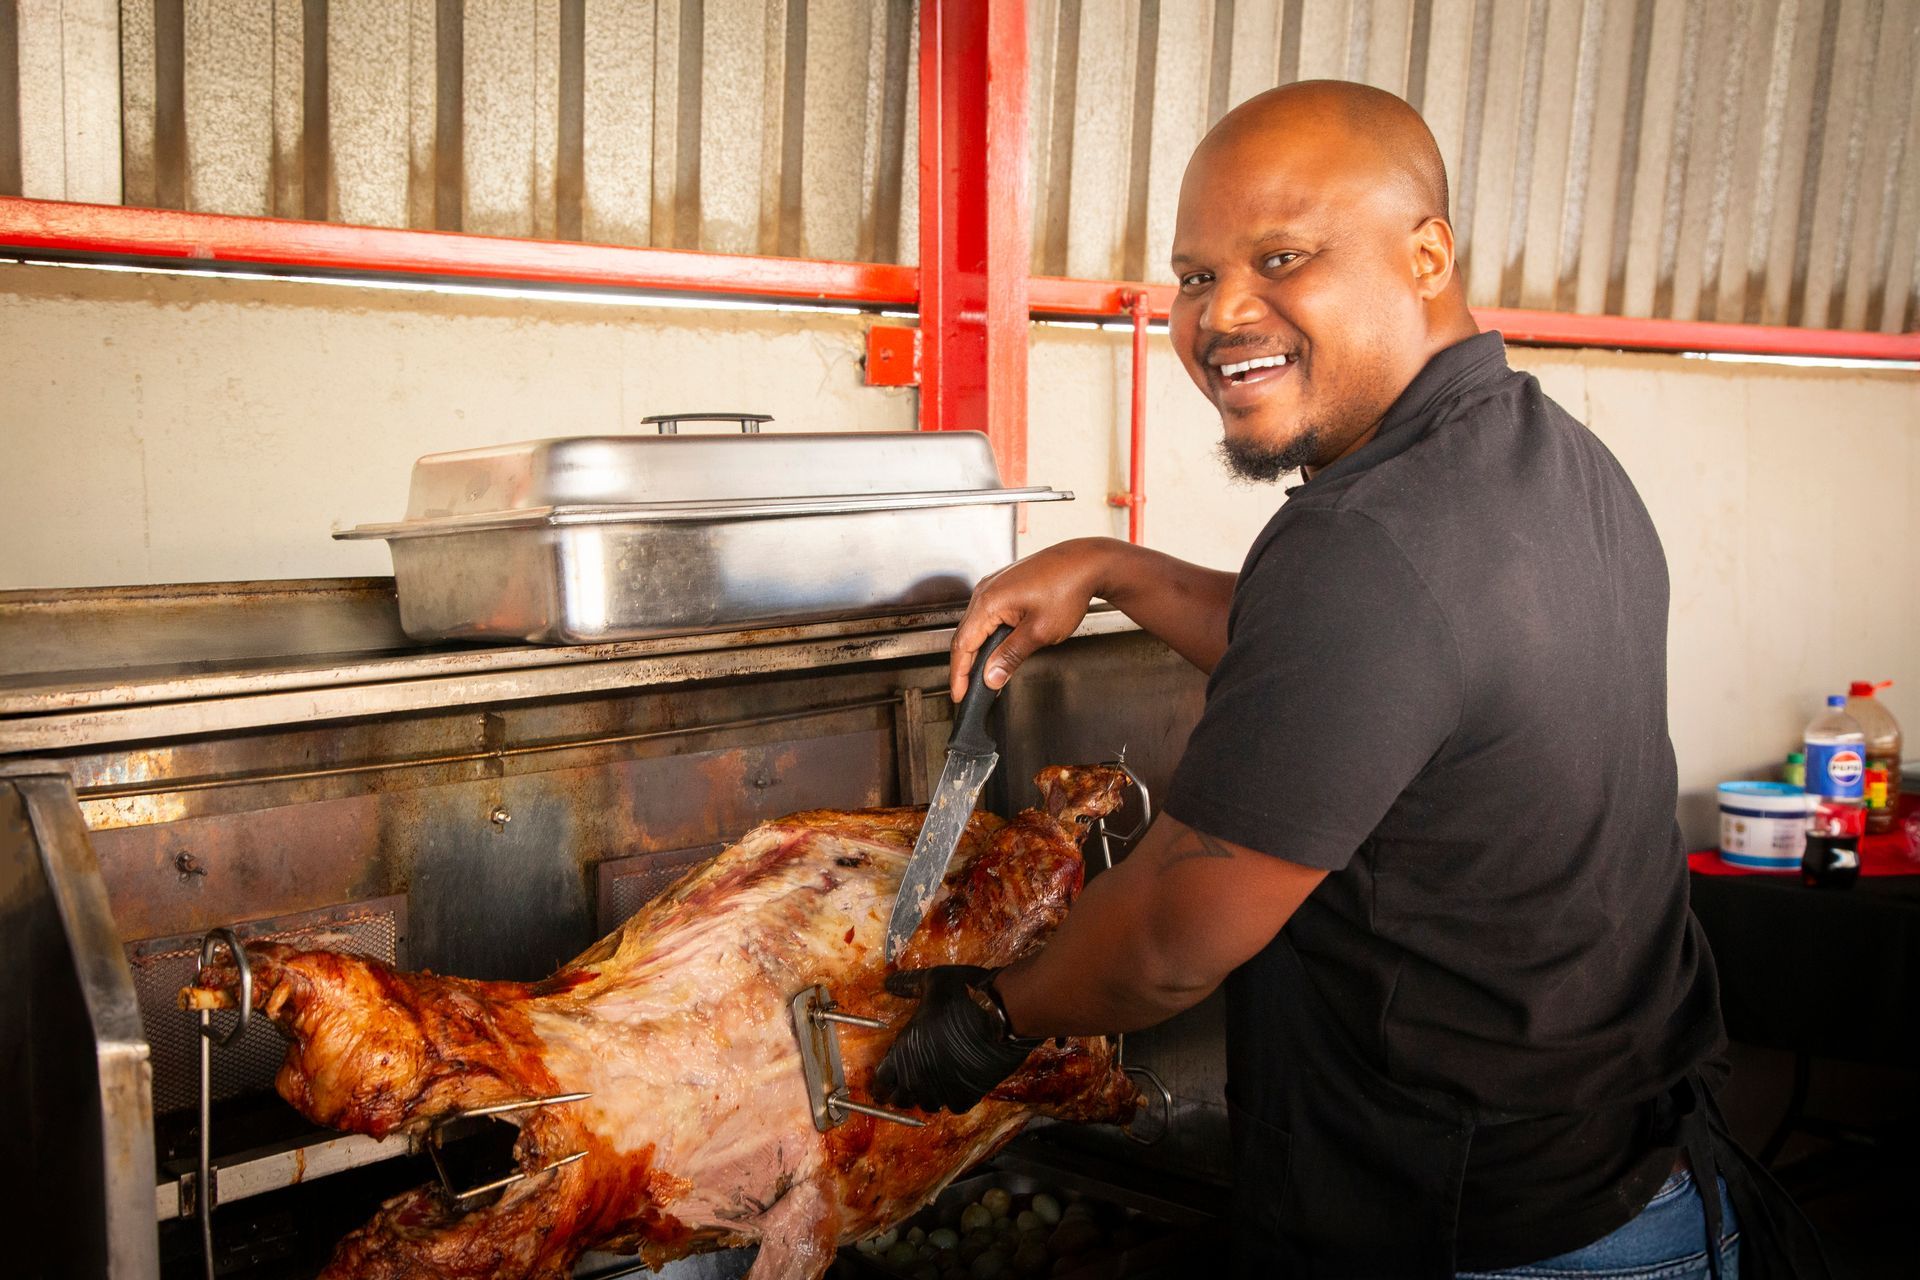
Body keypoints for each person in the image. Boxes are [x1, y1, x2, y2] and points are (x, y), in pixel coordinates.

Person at [874, 82, 1826, 1278]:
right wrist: (1116, 566)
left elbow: (1174, 936)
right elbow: (1361, 677)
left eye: (1281, 256)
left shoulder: (1368, 542)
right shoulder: (1554, 461)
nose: (1221, 314)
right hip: (1642, 1176)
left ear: (1426, 253)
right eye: (1194, 274)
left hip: (1486, 1235)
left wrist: (992, 1018)